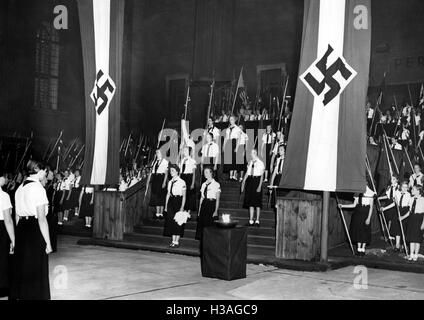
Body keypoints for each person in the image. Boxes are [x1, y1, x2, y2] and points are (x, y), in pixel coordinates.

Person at [10, 160, 52, 300]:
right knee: (35, 267)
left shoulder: (20, 188)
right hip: (34, 229)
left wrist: (14, 239)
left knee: (22, 266)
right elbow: (41, 218)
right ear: (39, 171)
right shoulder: (38, 188)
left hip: (21, 228)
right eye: (45, 172)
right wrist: (48, 242)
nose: (45, 174)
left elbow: (16, 215)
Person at [338, 183, 375, 256]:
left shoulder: (370, 193)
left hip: (365, 213)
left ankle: (363, 248)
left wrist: (368, 218)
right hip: (358, 214)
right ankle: (358, 248)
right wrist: (343, 205)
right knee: (358, 230)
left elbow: (371, 207)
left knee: (364, 230)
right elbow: (354, 205)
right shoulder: (357, 193)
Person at [380, 181, 411, 252]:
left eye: (406, 187)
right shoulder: (397, 193)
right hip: (397, 210)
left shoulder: (409, 195)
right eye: (403, 187)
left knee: (404, 228)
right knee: (397, 228)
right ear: (401, 187)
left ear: (408, 188)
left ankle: (404, 244)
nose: (404, 188)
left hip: (405, 211)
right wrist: (384, 208)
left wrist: (404, 215)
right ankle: (397, 245)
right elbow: (394, 204)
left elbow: (410, 207)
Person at [163, 165, 186, 248]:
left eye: (172, 170)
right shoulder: (169, 182)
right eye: (170, 171)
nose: (171, 172)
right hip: (171, 202)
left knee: (178, 221)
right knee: (171, 221)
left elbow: (184, 195)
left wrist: (182, 206)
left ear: (177, 171)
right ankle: (173, 241)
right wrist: (166, 206)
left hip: (178, 201)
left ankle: (177, 241)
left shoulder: (182, 182)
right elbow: (168, 194)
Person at [195, 167, 220, 241]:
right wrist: (199, 210)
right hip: (204, 205)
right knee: (203, 224)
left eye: (206, 172)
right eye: (204, 172)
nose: (204, 174)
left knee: (210, 225)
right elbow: (201, 198)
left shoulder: (216, 184)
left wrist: (216, 211)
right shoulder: (203, 184)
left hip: (212, 204)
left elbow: (218, 199)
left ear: (211, 173)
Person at [241, 149, 265, 227]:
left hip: (257, 181)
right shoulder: (250, 162)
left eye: (252, 153)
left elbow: (262, 176)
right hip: (250, 181)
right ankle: (251, 220)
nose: (251, 154)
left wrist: (259, 186)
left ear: (256, 153)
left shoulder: (260, 163)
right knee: (250, 202)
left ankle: (257, 221)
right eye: (251, 153)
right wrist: (243, 182)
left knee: (257, 203)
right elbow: (247, 173)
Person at [0, 174, 14, 298]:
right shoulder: (4, 196)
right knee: (2, 259)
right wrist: (13, 240)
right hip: (1, 229)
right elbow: (8, 220)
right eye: (4, 177)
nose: (6, 179)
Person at [404, 185, 424, 261]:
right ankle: (411, 254)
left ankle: (416, 254)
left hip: (419, 219)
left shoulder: (423, 200)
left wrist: (423, 224)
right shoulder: (411, 199)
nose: (411, 190)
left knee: (417, 238)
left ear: (418, 191)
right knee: (411, 238)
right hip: (412, 219)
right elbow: (409, 212)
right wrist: (402, 217)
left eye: (413, 189)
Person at [148, 149, 169, 219]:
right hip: (156, 179)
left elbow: (166, 173)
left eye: (158, 153)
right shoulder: (155, 162)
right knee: (156, 196)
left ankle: (161, 213)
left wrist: (164, 182)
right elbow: (153, 171)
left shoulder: (165, 162)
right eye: (156, 153)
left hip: (161, 178)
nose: (157, 154)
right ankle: (157, 213)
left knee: (161, 196)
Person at [179, 147, 197, 219]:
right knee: (183, 195)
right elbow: (180, 172)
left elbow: (194, 173)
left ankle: (188, 213)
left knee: (189, 196)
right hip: (183, 178)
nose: (184, 152)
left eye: (186, 150)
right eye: (184, 150)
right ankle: (183, 211)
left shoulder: (192, 161)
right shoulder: (182, 160)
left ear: (189, 152)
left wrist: (192, 183)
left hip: (189, 178)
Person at [223, 116, 242, 181]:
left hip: (234, 143)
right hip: (229, 144)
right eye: (230, 120)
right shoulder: (228, 129)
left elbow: (239, 138)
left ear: (234, 120)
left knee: (234, 160)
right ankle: (230, 176)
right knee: (229, 161)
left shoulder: (237, 128)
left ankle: (234, 176)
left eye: (232, 119)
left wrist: (236, 147)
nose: (231, 121)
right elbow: (226, 138)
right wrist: (224, 146)